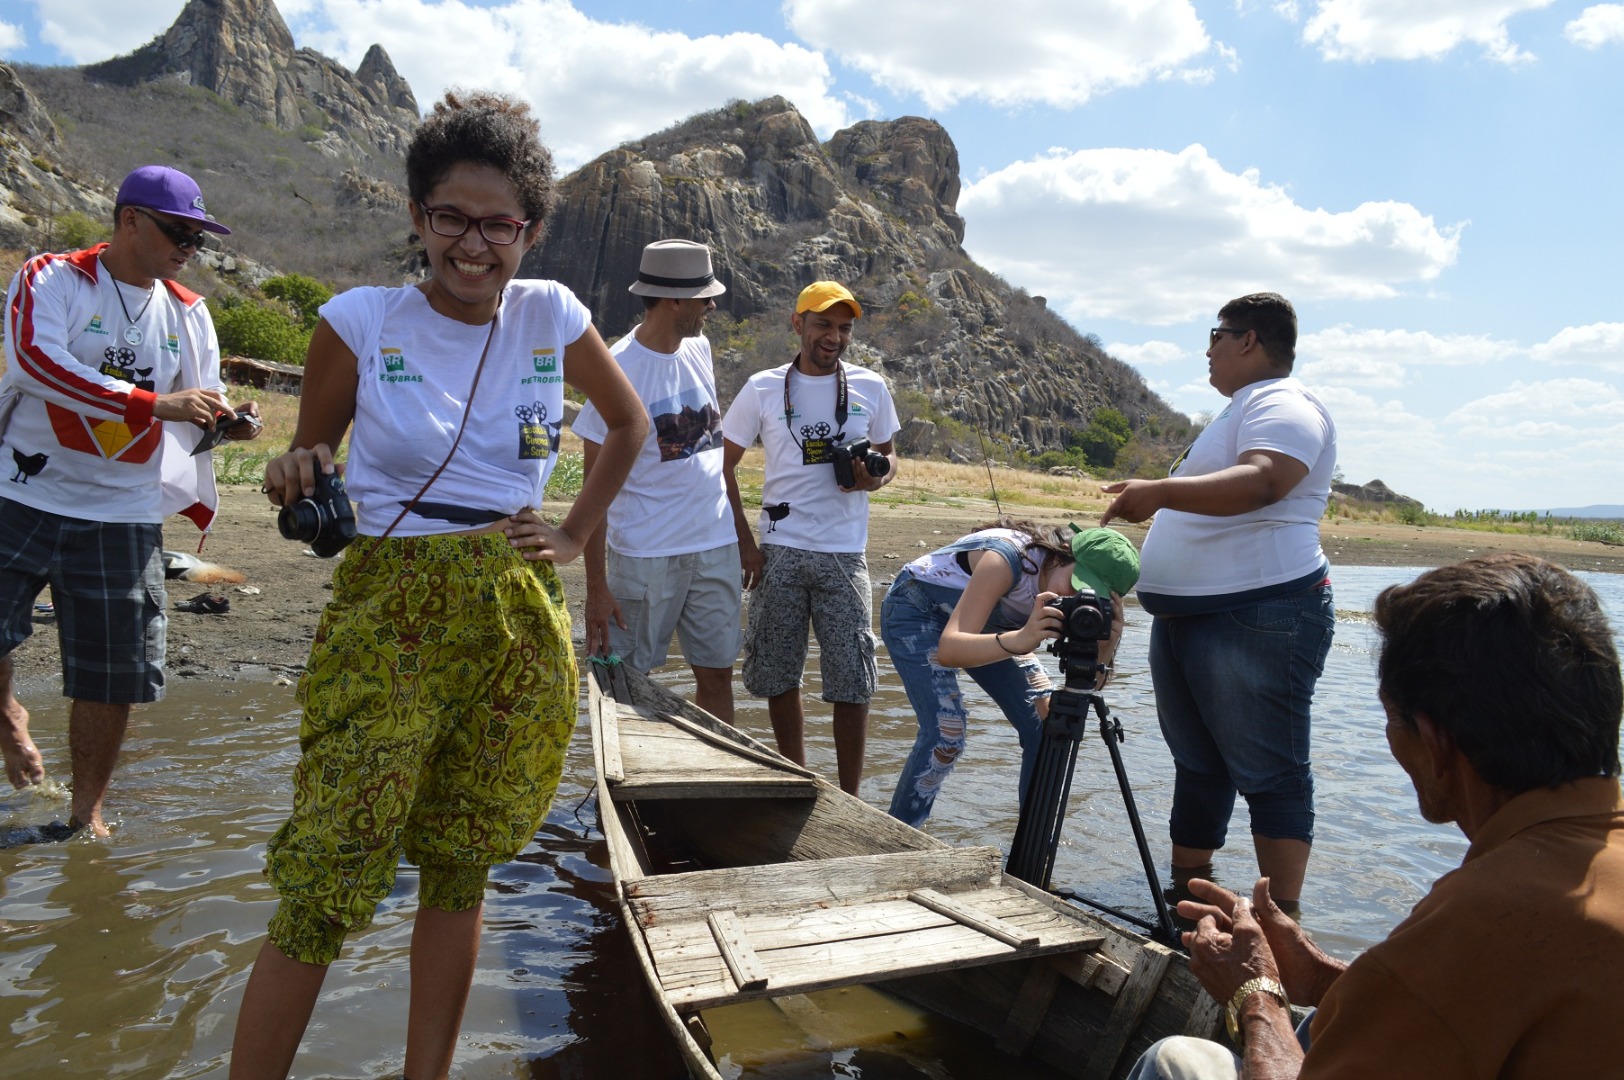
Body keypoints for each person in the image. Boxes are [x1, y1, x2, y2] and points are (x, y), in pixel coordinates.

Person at [228, 92, 645, 1080]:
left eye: (497, 225)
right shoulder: (358, 322)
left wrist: (576, 534)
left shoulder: (552, 312)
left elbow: (624, 427)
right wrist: (295, 471)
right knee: (330, 870)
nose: (472, 244)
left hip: (517, 614)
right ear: (417, 216)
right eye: (450, 218)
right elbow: (312, 457)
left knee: (461, 867)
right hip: (391, 611)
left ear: (528, 232)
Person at [1127, 552, 1624, 1080]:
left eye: (1390, 720)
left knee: (1175, 1062)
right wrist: (1318, 978)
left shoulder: (1481, 915)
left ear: (1434, 743)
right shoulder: (1577, 871)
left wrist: (1257, 994)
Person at [0, 164, 259, 837]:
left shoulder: (189, 312)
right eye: (179, 232)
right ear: (129, 220)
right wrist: (153, 401)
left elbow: (201, 400)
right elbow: (34, 361)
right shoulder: (50, 277)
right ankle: (7, 716)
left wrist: (229, 421)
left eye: (200, 240)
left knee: (114, 673)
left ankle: (86, 816)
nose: (189, 249)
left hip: (123, 510)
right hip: (20, 491)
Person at [1101, 293, 1335, 915]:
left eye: (1216, 334)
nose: (1208, 348)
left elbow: (1266, 480)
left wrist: (1158, 492)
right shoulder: (1240, 409)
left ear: (1250, 340)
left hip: (1259, 613)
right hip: (1194, 618)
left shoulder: (1282, 402)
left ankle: (1282, 925)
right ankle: (1188, 901)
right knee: (1198, 766)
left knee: (1271, 772)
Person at [721, 281, 898, 795]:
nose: (834, 337)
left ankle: (849, 796)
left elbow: (890, 458)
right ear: (797, 324)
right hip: (779, 550)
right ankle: (797, 778)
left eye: (844, 328)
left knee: (854, 679)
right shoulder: (761, 387)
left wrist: (875, 478)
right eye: (823, 324)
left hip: (846, 554)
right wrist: (745, 545)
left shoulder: (871, 386)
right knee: (778, 673)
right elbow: (722, 467)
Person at [576, 239, 740, 721]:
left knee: (717, 673)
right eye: (703, 297)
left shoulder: (700, 347)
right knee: (625, 683)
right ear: (672, 300)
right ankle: (628, 793)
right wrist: (596, 588)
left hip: (715, 544)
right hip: (645, 556)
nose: (712, 305)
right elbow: (593, 492)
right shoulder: (619, 367)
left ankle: (717, 783)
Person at [883, 522, 1138, 827]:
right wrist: (1021, 639)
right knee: (946, 733)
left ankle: (1028, 851)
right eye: (1076, 583)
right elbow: (950, 649)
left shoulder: (1081, 604)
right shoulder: (1006, 560)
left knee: (1047, 725)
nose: (1073, 597)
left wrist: (1106, 646)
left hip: (997, 628)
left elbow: (1088, 687)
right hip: (917, 607)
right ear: (1062, 556)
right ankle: (900, 835)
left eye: (1092, 596)